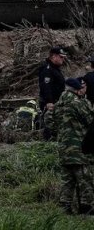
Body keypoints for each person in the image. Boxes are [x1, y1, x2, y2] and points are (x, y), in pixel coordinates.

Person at [49, 78, 94, 214]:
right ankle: (87, 208)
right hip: (79, 147)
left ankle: (65, 207)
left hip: (63, 148)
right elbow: (90, 120)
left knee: (67, 180)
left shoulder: (58, 105)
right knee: (85, 179)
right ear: (77, 90)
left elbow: (49, 122)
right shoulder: (78, 103)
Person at [39, 46, 69, 140]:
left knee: (56, 124)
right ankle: (48, 145)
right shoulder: (47, 69)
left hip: (57, 101)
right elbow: (46, 86)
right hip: (50, 102)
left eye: (63, 57)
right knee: (49, 124)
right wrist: (49, 101)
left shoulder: (55, 68)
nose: (63, 59)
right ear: (54, 56)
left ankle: (54, 143)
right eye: (61, 57)